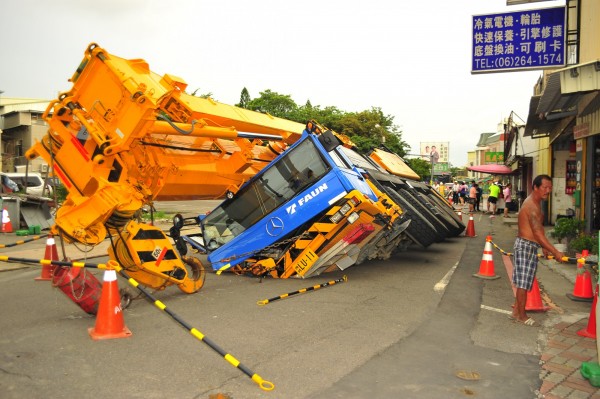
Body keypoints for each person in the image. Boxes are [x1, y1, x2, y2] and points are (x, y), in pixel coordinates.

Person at [511, 175, 564, 326]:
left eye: (550, 188)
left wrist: (544, 247)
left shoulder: (536, 202)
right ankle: (521, 315)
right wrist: (555, 251)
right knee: (523, 283)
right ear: (535, 187)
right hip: (525, 246)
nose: (548, 191)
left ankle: (516, 312)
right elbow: (537, 233)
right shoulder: (532, 206)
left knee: (524, 282)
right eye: (545, 187)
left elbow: (539, 230)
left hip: (529, 246)